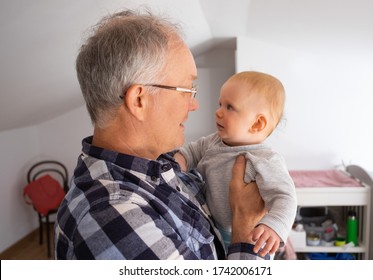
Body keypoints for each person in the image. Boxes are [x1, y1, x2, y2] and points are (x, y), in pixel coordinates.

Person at [54, 9, 268, 260]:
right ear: (140, 100)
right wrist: (245, 225)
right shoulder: (113, 213)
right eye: (186, 89)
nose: (194, 104)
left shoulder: (161, 164)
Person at [174, 71, 297, 257]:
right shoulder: (213, 141)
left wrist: (273, 225)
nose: (218, 111)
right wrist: (176, 164)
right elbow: (189, 153)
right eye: (220, 104)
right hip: (212, 230)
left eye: (230, 107)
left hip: (253, 237)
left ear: (257, 124)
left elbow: (285, 197)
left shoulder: (265, 159)